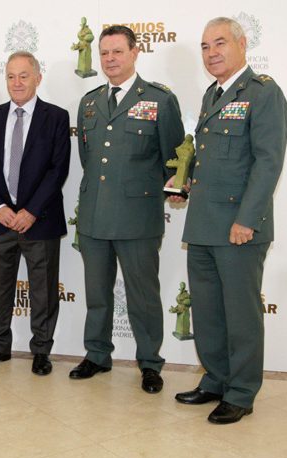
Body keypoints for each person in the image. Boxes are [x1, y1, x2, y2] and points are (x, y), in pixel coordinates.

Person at [171, 17, 287, 424]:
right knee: (207, 311)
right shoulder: (212, 95)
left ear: (242, 44)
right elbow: (211, 160)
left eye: (219, 43)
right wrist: (183, 181)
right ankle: (216, 379)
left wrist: (247, 220)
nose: (212, 52)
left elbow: (267, 162)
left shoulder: (263, 93)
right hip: (203, 223)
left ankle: (241, 392)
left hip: (238, 226)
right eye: (205, 46)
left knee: (240, 314)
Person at [70, 25, 185, 393]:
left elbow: (173, 158)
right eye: (104, 53)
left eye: (117, 51)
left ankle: (150, 363)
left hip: (138, 218)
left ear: (135, 53)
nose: (109, 59)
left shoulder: (159, 100)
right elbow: (88, 158)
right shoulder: (89, 102)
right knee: (98, 294)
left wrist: (177, 189)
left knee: (143, 297)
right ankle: (97, 355)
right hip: (94, 216)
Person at [0, 51, 71, 376]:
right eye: (11, 76)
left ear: (38, 77)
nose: (17, 82)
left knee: (42, 291)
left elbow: (58, 170)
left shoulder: (56, 117)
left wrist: (30, 211)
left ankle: (41, 350)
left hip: (39, 222)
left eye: (24, 76)